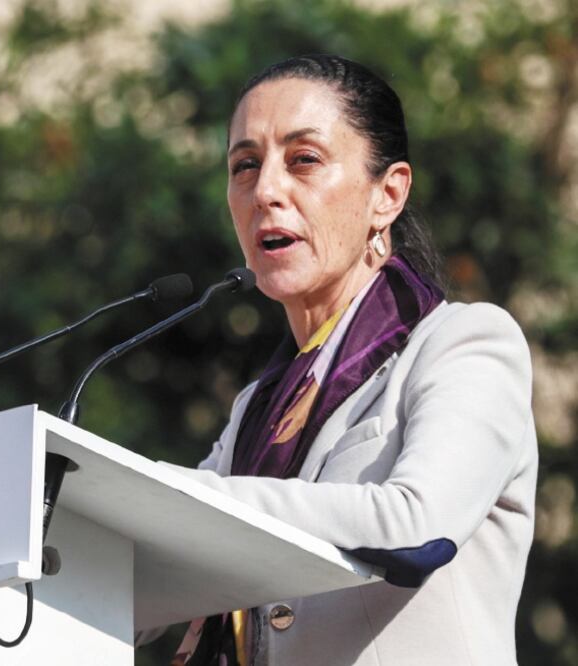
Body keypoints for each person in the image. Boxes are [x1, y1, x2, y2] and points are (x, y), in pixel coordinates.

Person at [158, 55, 537, 665]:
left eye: (303, 160)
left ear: (388, 193)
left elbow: (418, 526)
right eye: (244, 166)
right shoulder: (257, 407)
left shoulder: (466, 344)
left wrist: (183, 495)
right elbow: (162, 568)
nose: (266, 191)